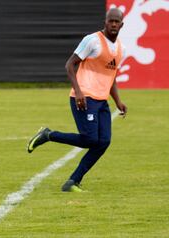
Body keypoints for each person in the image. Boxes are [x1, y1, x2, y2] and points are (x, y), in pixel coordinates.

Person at [27, 8, 128, 192]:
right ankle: (48, 135)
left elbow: (111, 77)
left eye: (117, 21)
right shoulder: (92, 40)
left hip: (101, 101)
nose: (113, 24)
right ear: (105, 22)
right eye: (110, 21)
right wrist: (78, 91)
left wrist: (118, 101)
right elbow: (70, 64)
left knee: (103, 142)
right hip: (84, 97)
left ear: (122, 24)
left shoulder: (121, 49)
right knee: (90, 139)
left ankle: (73, 181)